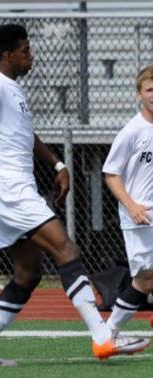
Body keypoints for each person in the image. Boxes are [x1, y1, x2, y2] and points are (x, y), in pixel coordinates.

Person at [0, 24, 149, 366]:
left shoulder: (13, 90)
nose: (30, 55)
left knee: (27, 273)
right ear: (8, 55)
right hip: (11, 189)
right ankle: (102, 337)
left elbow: (26, 135)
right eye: (25, 50)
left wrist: (57, 165)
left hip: (8, 189)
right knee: (66, 249)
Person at [103, 64, 153, 335]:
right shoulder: (132, 131)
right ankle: (107, 333)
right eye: (149, 90)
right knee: (145, 281)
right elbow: (111, 174)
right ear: (139, 94)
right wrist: (131, 205)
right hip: (140, 215)